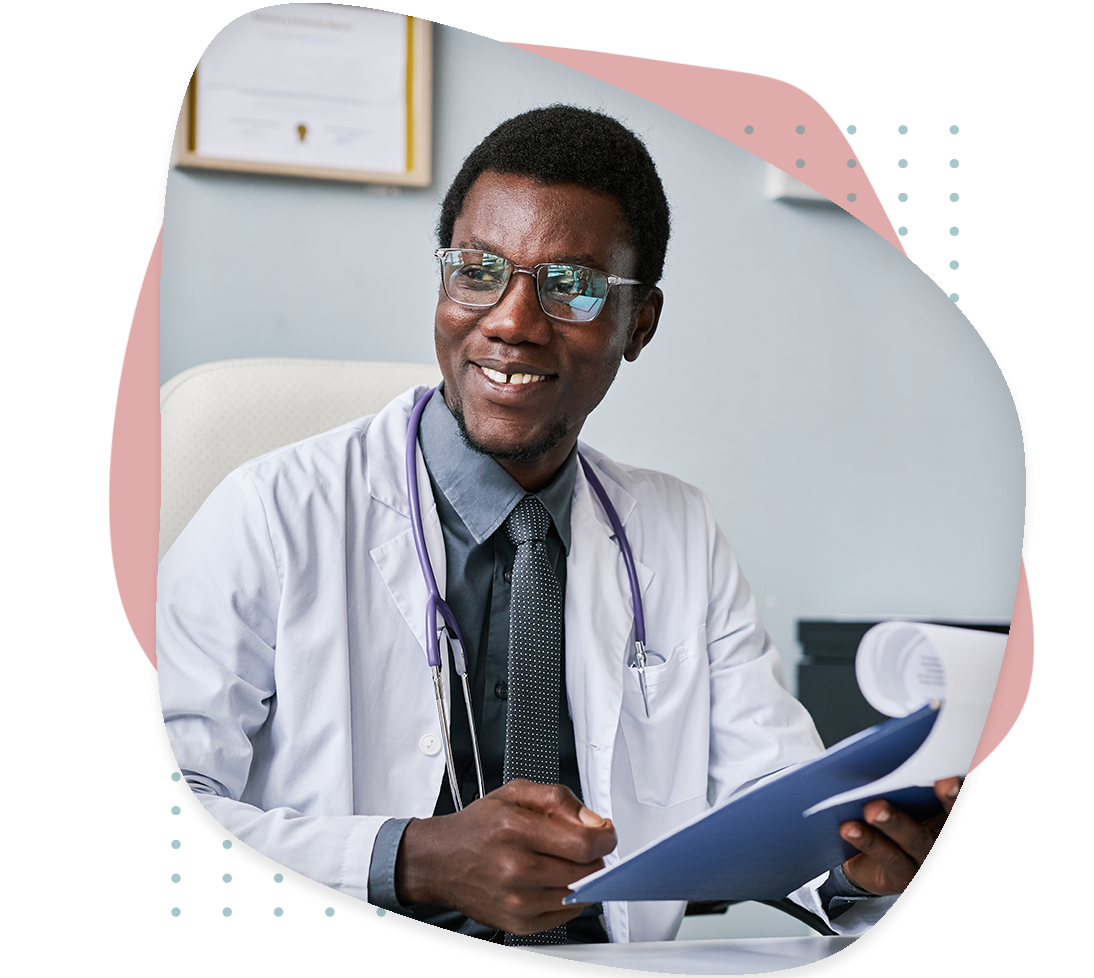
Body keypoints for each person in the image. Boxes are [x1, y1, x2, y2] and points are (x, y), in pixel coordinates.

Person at [158, 105, 960, 944]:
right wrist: (411, 858)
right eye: (478, 269)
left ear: (638, 324)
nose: (511, 320)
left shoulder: (676, 530)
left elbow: (769, 793)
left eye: (571, 287)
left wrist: (852, 858)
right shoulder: (272, 513)